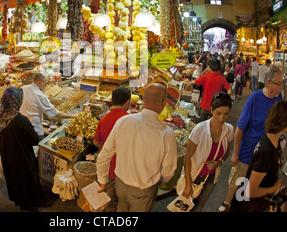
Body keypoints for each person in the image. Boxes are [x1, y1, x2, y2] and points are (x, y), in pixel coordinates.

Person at [96, 83, 178, 212]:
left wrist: (102, 180)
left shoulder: (124, 121)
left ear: (143, 99)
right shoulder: (167, 134)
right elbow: (169, 171)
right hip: (143, 191)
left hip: (120, 186)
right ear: (163, 103)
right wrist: (158, 180)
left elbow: (104, 155)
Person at [219, 65, 284, 212]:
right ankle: (227, 202)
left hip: (265, 153)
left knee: (255, 185)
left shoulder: (279, 98)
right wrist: (236, 153)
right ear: (268, 83)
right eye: (278, 84)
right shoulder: (254, 99)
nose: (281, 87)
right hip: (248, 151)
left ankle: (243, 206)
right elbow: (240, 128)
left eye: (282, 84)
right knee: (238, 180)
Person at [228, 100, 287, 212]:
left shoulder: (272, 140)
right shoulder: (266, 152)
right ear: (285, 121)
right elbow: (250, 191)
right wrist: (272, 189)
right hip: (247, 205)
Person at [0, 87, 45, 211]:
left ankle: (23, 205)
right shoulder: (21, 120)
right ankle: (31, 207)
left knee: (16, 184)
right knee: (27, 184)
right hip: (23, 160)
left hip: (7, 160)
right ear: (17, 101)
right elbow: (34, 140)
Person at [180, 92, 234, 212]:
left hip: (211, 179)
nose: (221, 118)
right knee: (184, 208)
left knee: (198, 208)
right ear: (211, 110)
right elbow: (187, 157)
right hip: (194, 176)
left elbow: (227, 152)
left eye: (226, 114)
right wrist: (188, 184)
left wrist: (218, 163)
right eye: (218, 113)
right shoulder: (199, 129)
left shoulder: (229, 130)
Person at [93, 87, 131, 212]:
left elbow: (96, 142)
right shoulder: (131, 120)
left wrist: (105, 146)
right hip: (125, 168)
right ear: (127, 103)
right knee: (123, 199)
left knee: (108, 195)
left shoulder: (103, 120)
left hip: (108, 167)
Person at [20, 73, 76, 141]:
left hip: (22, 127)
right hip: (35, 130)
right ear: (39, 83)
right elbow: (56, 114)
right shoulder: (40, 95)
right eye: (46, 84)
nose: (46, 86)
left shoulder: (22, 88)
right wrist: (73, 115)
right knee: (37, 148)